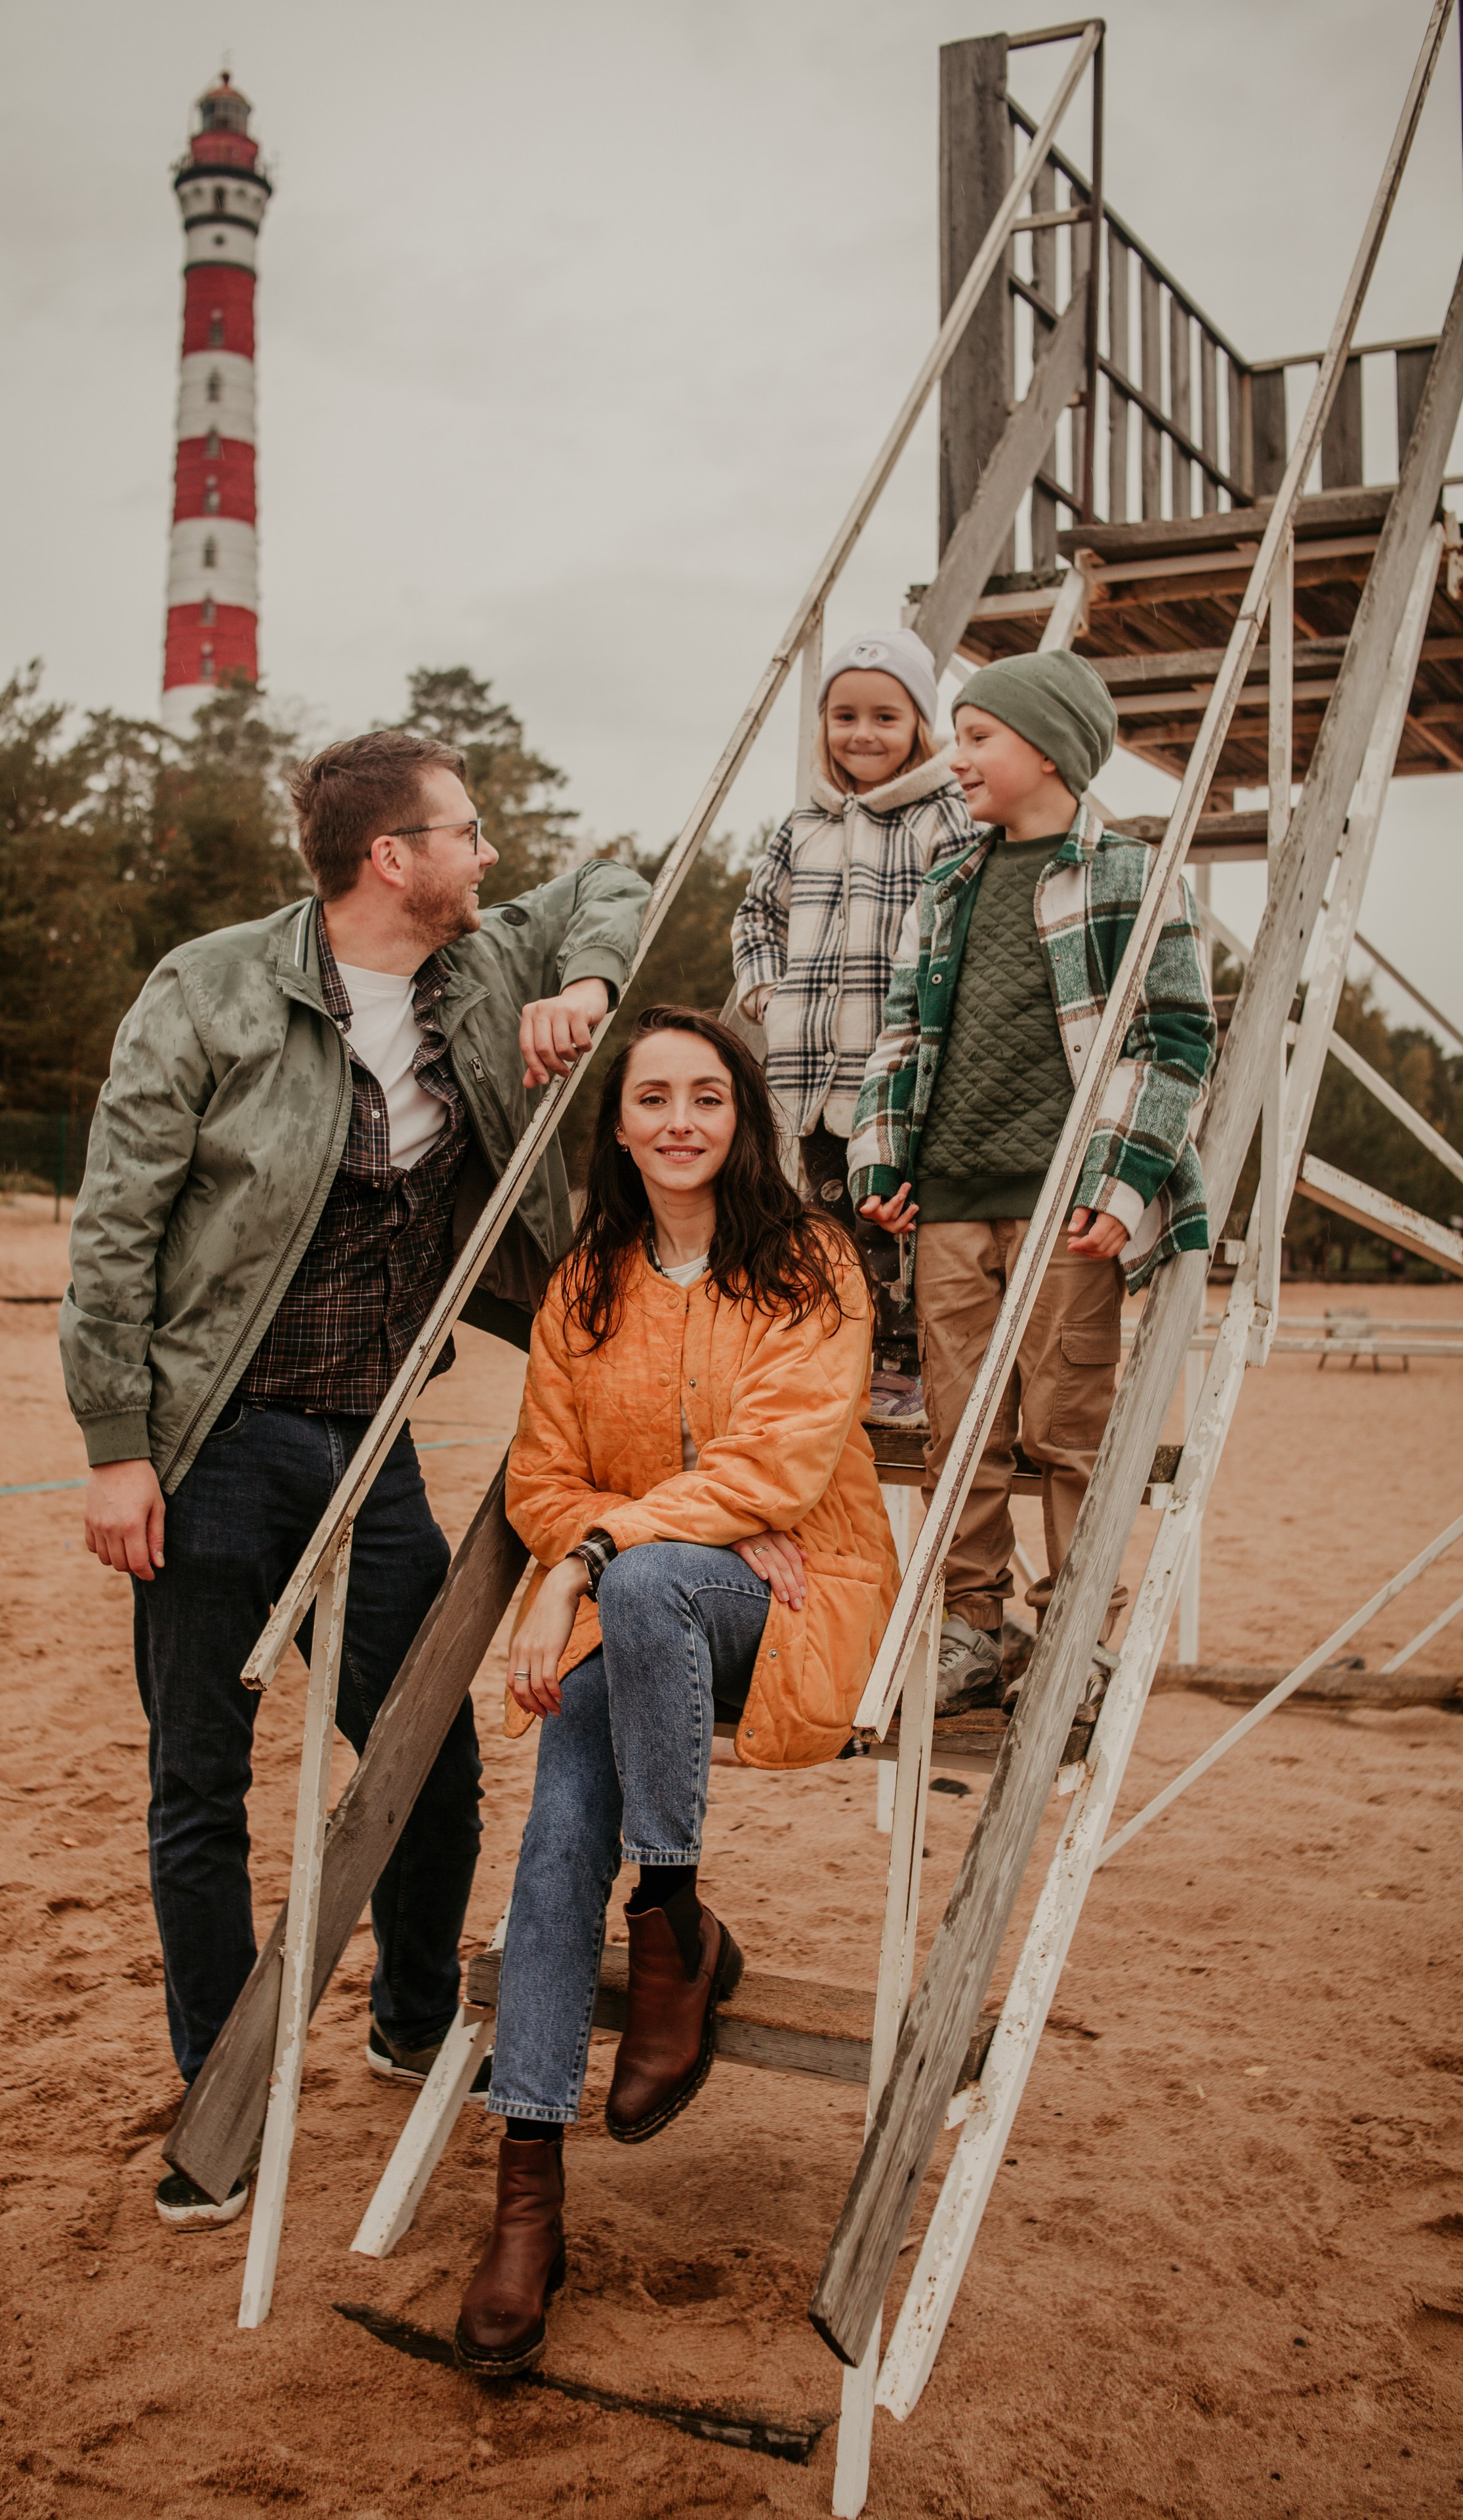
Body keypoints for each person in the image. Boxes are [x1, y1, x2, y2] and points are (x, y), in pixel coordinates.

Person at [59, 728, 648, 2229]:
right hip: (211, 1442)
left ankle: (404, 2014)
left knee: (423, 1753)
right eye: (463, 832)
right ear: (393, 859)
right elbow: (115, 1225)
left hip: (370, 1442)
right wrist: (117, 1448)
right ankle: (223, 2088)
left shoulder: (478, 968)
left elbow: (609, 879)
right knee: (200, 1779)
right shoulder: (210, 987)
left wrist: (579, 989)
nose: (487, 853)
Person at [453, 1007, 899, 2376]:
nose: (680, 1121)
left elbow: (778, 1470)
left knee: (642, 1585)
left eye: (707, 1096)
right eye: (653, 1097)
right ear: (620, 1122)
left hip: (793, 1594)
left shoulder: (811, 1263)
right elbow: (536, 1479)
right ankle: (526, 2186)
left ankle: (670, 1922)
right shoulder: (585, 1281)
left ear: (741, 1117)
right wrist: (656, 1529)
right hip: (646, 1604)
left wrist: (598, 1548)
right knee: (549, 1840)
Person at [846, 649, 1216, 1712]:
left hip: (1070, 1207)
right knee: (966, 1436)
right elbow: (906, 1031)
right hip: (952, 1205)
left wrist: (1126, 1180)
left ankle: (1072, 1642)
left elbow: (1173, 1038)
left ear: (1048, 749)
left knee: (1067, 1433)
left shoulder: (1129, 875)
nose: (953, 758)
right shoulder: (951, 877)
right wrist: (882, 1154)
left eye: (975, 738)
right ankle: (971, 1628)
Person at [730, 628, 972, 1236]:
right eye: (845, 716)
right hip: (802, 1081)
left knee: (885, 1242)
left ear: (917, 723)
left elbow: (963, 925)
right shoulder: (804, 822)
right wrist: (766, 993)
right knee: (810, 1241)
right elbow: (757, 913)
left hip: (891, 1084)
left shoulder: (943, 815)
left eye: (884, 716)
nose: (862, 732)